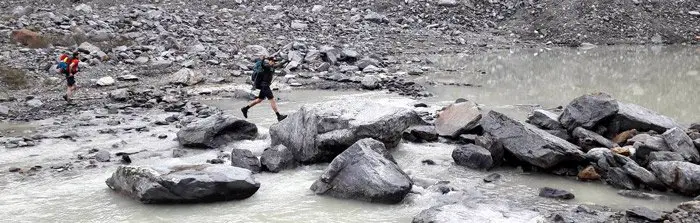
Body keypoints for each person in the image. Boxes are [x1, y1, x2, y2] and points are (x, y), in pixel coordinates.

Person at [241, 56, 287, 121]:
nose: (273, 62)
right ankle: (278, 116)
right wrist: (262, 60)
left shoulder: (272, 67)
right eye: (272, 61)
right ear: (269, 61)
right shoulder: (267, 66)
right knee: (272, 100)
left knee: (259, 100)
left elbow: (279, 65)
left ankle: (245, 109)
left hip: (265, 86)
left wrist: (286, 61)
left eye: (274, 62)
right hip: (265, 86)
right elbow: (263, 65)